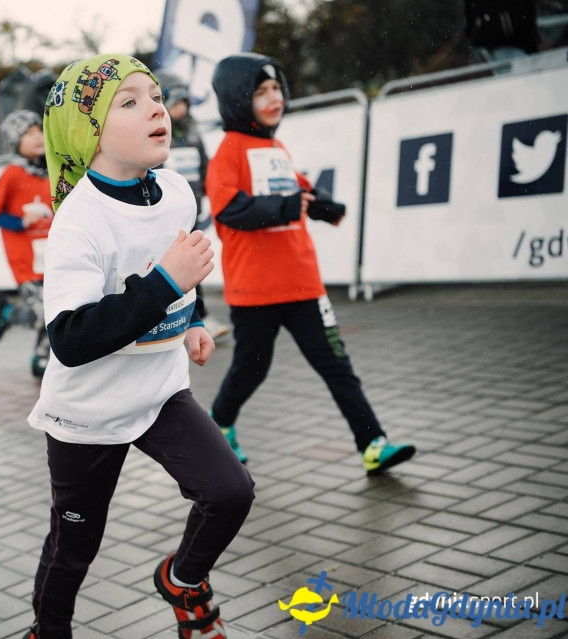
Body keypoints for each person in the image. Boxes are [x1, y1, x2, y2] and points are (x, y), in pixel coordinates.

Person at [22, 54, 254, 639]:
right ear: (88, 132)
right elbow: (70, 339)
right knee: (75, 547)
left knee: (230, 493)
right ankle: (48, 631)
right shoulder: (79, 222)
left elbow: (177, 271)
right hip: (87, 412)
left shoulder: (176, 191)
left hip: (159, 392)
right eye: (129, 102)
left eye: (154, 97)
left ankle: (183, 579)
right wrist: (167, 286)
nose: (155, 109)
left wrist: (189, 318)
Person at [205, 52, 416, 474]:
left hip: (303, 284)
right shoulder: (228, 152)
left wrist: (323, 205)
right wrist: (284, 207)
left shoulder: (276, 147)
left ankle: (373, 443)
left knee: (337, 365)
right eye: (261, 92)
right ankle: (220, 425)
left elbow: (299, 190)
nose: (274, 98)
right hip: (255, 291)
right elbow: (229, 209)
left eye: (277, 89)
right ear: (237, 99)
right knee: (250, 370)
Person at [158, 70, 232, 340]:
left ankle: (195, 317)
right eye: (175, 103)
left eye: (184, 103)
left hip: (192, 213)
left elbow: (205, 170)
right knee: (175, 266)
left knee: (193, 265)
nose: (180, 109)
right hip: (165, 215)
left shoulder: (192, 133)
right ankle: (194, 317)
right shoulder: (158, 134)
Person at [0, 109, 54, 377]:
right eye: (28, 133)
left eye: (39, 130)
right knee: (43, 314)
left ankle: (41, 359)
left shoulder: (51, 170)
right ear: (16, 142)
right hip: (26, 261)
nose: (37, 137)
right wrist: (21, 222)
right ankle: (9, 313)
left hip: (52, 256)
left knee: (56, 311)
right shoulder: (12, 174)